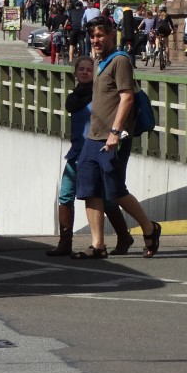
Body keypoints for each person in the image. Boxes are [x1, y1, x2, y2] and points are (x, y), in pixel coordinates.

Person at [72, 16, 161, 259]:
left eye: (100, 35)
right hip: (93, 137)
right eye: (93, 36)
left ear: (111, 35)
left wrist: (115, 133)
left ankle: (149, 228)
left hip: (114, 138)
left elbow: (127, 98)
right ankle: (97, 245)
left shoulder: (120, 61)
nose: (96, 40)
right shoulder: (99, 61)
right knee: (89, 190)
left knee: (116, 190)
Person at [47, 55, 133, 256]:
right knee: (65, 195)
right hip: (76, 152)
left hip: (97, 150)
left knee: (105, 198)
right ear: (75, 73)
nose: (85, 72)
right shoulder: (74, 97)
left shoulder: (100, 96)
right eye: (81, 69)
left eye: (89, 69)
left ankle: (124, 236)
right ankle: (65, 242)